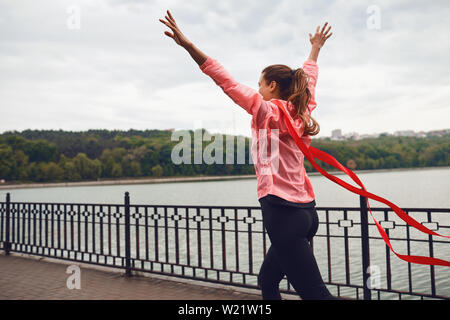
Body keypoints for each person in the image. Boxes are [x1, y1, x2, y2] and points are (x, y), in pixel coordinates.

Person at [159, 10, 336, 300]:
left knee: (316, 295)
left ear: (272, 86)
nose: (257, 89)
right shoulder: (303, 110)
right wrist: (315, 48)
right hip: (306, 213)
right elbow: (310, 78)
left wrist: (188, 45)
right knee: (267, 280)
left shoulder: (266, 111)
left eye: (260, 84)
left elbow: (225, 81)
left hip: (282, 213)